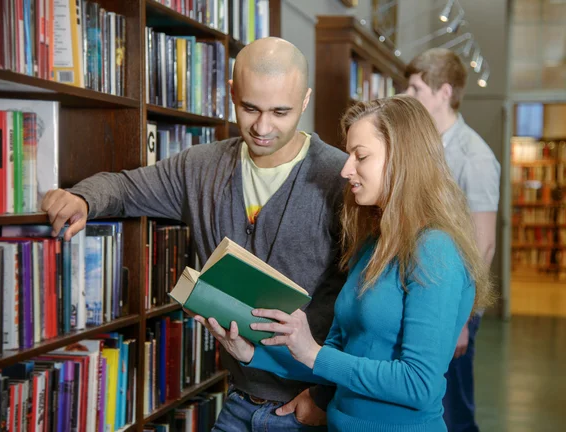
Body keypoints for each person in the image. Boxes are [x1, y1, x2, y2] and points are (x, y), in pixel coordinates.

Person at [41, 37, 348, 430]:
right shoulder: (200, 167)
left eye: (281, 112)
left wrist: (327, 398)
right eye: (249, 108)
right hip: (238, 400)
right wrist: (82, 199)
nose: (262, 127)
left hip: (310, 408)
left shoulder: (341, 179)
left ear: (304, 102)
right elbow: (124, 188)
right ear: (232, 93)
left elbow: (367, 309)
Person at [195, 95, 496, 432]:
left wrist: (314, 353)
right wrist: (251, 353)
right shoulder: (373, 244)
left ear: (404, 160)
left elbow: (418, 384)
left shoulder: (435, 249)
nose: (345, 168)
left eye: (361, 156)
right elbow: (335, 360)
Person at [405, 48, 500, 432]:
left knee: (453, 408)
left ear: (444, 92)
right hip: (423, 291)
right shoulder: (426, 148)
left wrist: (462, 318)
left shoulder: (473, 156)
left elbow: (484, 244)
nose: (407, 96)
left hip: (455, 305)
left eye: (415, 88)